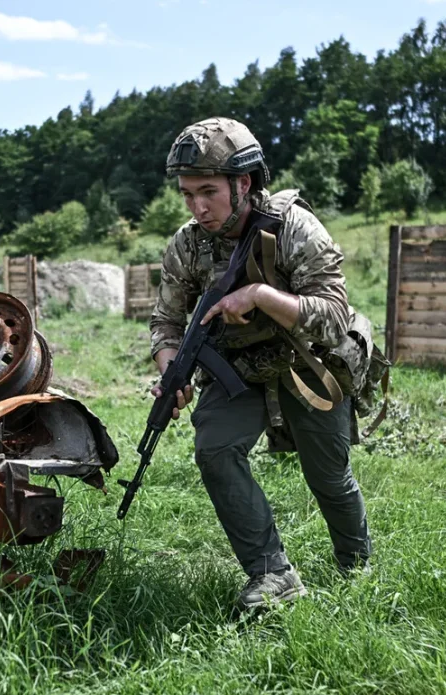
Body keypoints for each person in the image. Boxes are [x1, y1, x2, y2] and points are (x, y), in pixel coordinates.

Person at [149, 117, 373, 610]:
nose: (197, 206)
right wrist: (171, 369)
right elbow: (165, 322)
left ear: (243, 182)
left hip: (309, 365)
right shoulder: (187, 244)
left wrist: (260, 295)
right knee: (214, 448)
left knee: (328, 477)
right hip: (239, 372)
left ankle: (357, 568)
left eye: (208, 191)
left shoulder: (293, 228)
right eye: (187, 194)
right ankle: (272, 572)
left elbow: (334, 318)